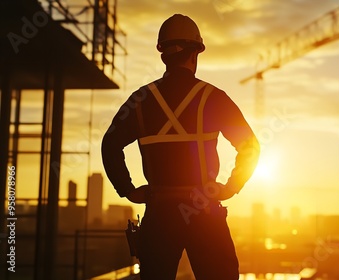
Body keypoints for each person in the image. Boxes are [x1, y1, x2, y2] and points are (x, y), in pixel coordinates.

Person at [101, 14, 260, 280]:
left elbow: (110, 144)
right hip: (205, 213)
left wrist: (127, 189)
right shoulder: (213, 98)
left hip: (159, 215)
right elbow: (250, 146)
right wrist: (231, 187)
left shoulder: (140, 100)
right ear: (195, 53)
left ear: (163, 54)